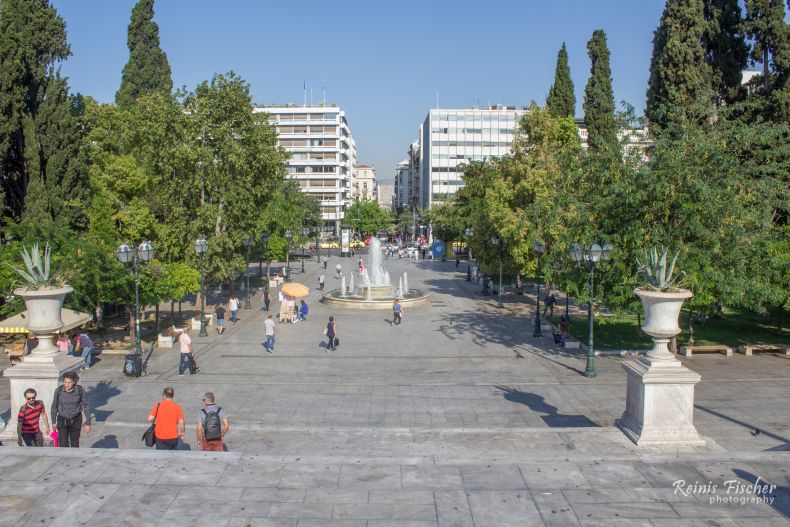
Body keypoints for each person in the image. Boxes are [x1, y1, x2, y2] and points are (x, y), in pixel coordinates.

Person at [51, 372, 90, 447]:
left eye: (69, 382)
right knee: (63, 444)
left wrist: (88, 423)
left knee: (75, 444)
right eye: (65, 382)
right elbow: (54, 406)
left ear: (74, 382)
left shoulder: (80, 390)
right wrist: (53, 421)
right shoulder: (59, 390)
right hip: (62, 420)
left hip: (76, 419)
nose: (67, 384)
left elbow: (86, 407)